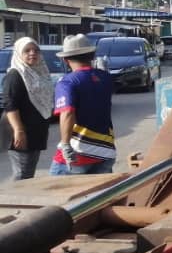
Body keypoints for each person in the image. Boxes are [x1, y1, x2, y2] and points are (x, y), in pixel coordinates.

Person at [51, 33, 115, 175]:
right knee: (100, 195)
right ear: (92, 56)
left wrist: (66, 145)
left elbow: (67, 113)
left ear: (66, 60)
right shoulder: (105, 77)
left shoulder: (67, 82)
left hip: (79, 153)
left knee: (57, 195)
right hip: (106, 150)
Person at [2, 37, 55, 180]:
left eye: (36, 50)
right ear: (19, 53)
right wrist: (19, 131)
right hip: (20, 133)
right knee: (22, 174)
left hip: (35, 133)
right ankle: (14, 201)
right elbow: (10, 105)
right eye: (27, 50)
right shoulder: (15, 75)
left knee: (28, 173)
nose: (32, 53)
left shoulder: (39, 73)